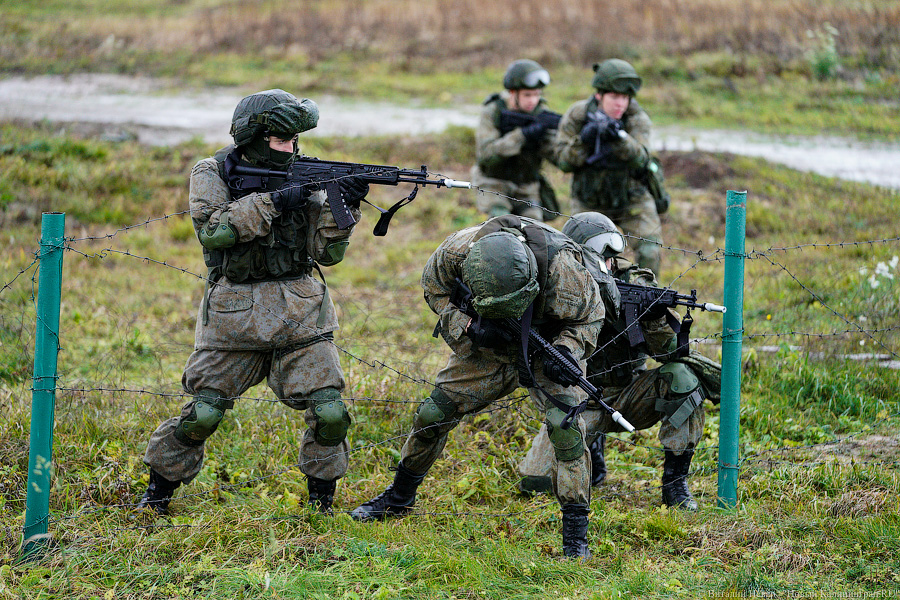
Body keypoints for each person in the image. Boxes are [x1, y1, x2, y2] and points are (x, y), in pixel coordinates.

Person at [135, 89, 370, 515]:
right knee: (203, 414)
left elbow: (327, 254)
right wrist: (274, 201)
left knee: (331, 413)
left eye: (295, 140)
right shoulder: (213, 172)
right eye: (282, 140)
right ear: (255, 139)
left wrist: (345, 207)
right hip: (235, 316)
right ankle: (156, 497)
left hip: (300, 314)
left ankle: (321, 507)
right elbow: (214, 232)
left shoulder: (304, 173)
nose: (291, 149)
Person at [351, 215, 609, 559]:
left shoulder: (565, 272)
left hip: (546, 347)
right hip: (487, 347)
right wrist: (468, 325)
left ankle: (575, 536)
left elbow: (591, 316)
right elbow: (434, 289)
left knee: (566, 429)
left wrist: (567, 350)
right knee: (433, 413)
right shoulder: (456, 252)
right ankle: (398, 498)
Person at [518, 212, 722, 511]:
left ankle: (675, 483)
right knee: (536, 483)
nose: (609, 264)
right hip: (578, 400)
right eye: (601, 257)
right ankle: (593, 447)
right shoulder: (557, 284)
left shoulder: (635, 283)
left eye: (612, 257)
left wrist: (652, 319)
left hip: (629, 393)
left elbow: (669, 352)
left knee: (682, 378)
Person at [554, 59, 666, 275]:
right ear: (599, 95)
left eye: (625, 98)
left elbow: (641, 158)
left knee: (650, 250)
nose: (620, 104)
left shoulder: (636, 118)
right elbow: (563, 162)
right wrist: (584, 140)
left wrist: (619, 138)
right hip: (589, 198)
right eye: (614, 97)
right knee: (580, 256)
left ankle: (646, 293)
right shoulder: (578, 115)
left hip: (632, 198)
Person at [470, 59, 561, 222]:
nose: (533, 100)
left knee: (534, 227)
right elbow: (486, 154)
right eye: (527, 95)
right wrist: (522, 136)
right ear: (513, 93)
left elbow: (557, 157)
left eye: (537, 94)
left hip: (526, 186)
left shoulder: (541, 114)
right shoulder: (494, 111)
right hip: (493, 183)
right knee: (500, 222)